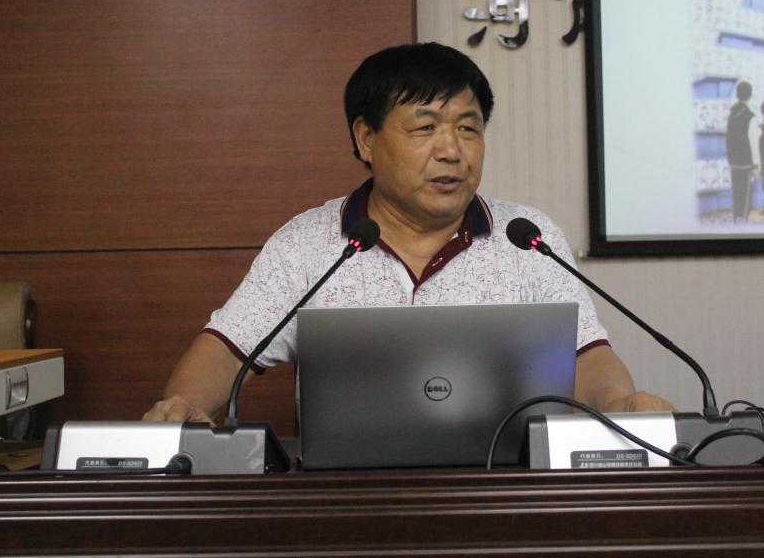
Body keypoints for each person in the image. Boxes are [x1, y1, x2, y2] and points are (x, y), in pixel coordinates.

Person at [144, 42, 674, 425]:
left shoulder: (527, 239)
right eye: (425, 128)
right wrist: (185, 405)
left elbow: (586, 357)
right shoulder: (306, 245)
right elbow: (227, 349)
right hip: (349, 504)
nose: (452, 150)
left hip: (506, 495)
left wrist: (620, 404)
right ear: (366, 138)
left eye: (468, 128)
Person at [726, 81, 759, 223]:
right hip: (746, 163)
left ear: (737, 94)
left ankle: (736, 221)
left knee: (736, 193)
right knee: (745, 195)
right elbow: (753, 142)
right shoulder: (750, 116)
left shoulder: (731, 114)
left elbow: (728, 138)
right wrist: (756, 164)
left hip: (733, 162)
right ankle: (742, 223)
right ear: (750, 95)